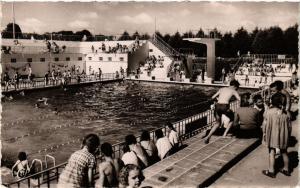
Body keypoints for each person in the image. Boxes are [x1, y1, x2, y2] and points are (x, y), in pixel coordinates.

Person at [262, 93, 291, 178]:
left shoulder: (268, 112)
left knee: (271, 152)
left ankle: (271, 171)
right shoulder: (287, 113)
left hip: (272, 135)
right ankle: (286, 169)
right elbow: (289, 127)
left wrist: (264, 133)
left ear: (272, 101)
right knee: (284, 152)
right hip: (283, 134)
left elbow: (265, 124)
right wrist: (288, 135)